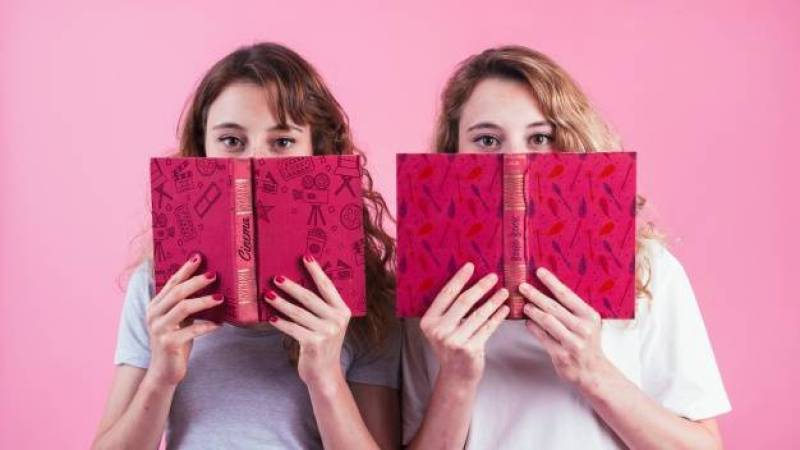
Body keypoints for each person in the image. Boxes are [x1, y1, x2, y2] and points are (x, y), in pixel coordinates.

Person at [402, 45, 731, 449]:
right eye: (487, 140)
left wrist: (591, 370)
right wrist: (456, 377)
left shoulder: (648, 268)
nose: (515, 159)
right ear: (453, 154)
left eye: (540, 137)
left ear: (570, 144)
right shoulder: (426, 289)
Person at [92, 42, 400, 450]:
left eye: (283, 142)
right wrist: (161, 376)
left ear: (317, 151)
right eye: (232, 141)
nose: (257, 162)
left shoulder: (364, 296)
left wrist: (325, 377)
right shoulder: (160, 289)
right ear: (201, 151)